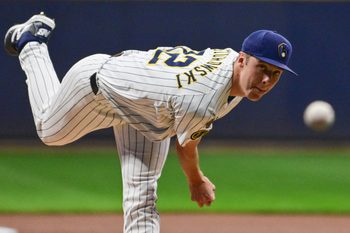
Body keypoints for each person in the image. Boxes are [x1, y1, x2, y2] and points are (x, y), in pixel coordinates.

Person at [4, 12, 297, 233]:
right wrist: (196, 181)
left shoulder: (234, 64)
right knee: (48, 130)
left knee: (142, 204)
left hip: (147, 109)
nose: (266, 80)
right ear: (243, 60)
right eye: (262, 68)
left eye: (275, 74)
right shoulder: (204, 97)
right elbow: (186, 148)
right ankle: (32, 43)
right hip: (99, 86)